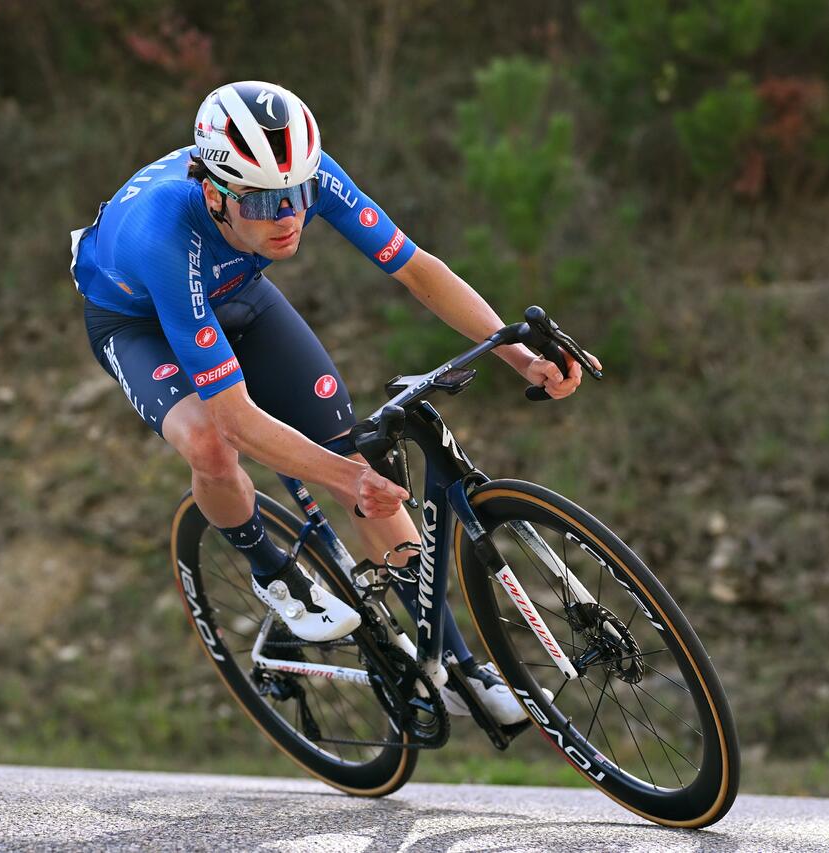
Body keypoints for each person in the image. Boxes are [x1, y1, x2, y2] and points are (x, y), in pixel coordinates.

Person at [70, 80, 598, 725]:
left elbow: (415, 267)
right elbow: (236, 420)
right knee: (210, 442)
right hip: (139, 319)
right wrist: (347, 478)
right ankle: (269, 568)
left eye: (297, 195)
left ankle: (458, 665)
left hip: (238, 292)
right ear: (214, 192)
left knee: (357, 465)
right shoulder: (165, 235)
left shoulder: (305, 177)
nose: (289, 215)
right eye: (266, 202)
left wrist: (517, 353)